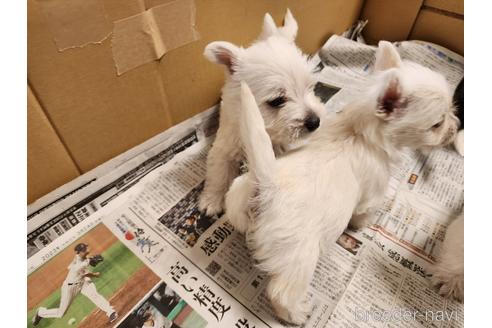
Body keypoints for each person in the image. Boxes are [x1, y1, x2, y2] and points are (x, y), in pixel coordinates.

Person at [32, 243, 118, 326]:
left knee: (95, 295)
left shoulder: (79, 257)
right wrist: (94, 274)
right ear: (78, 252)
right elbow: (81, 268)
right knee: (61, 313)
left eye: (85, 248)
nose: (86, 250)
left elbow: (81, 271)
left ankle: (111, 312)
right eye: (83, 250)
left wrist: (89, 261)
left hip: (83, 282)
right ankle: (41, 312)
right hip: (71, 287)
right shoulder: (79, 264)